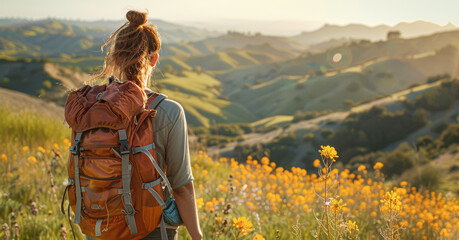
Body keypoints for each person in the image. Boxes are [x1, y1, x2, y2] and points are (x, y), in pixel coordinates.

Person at [87, 10, 202, 240]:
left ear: (115, 59)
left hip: (100, 228)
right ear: (154, 59)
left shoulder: (91, 108)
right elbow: (182, 187)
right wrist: (197, 236)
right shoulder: (169, 111)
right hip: (152, 230)